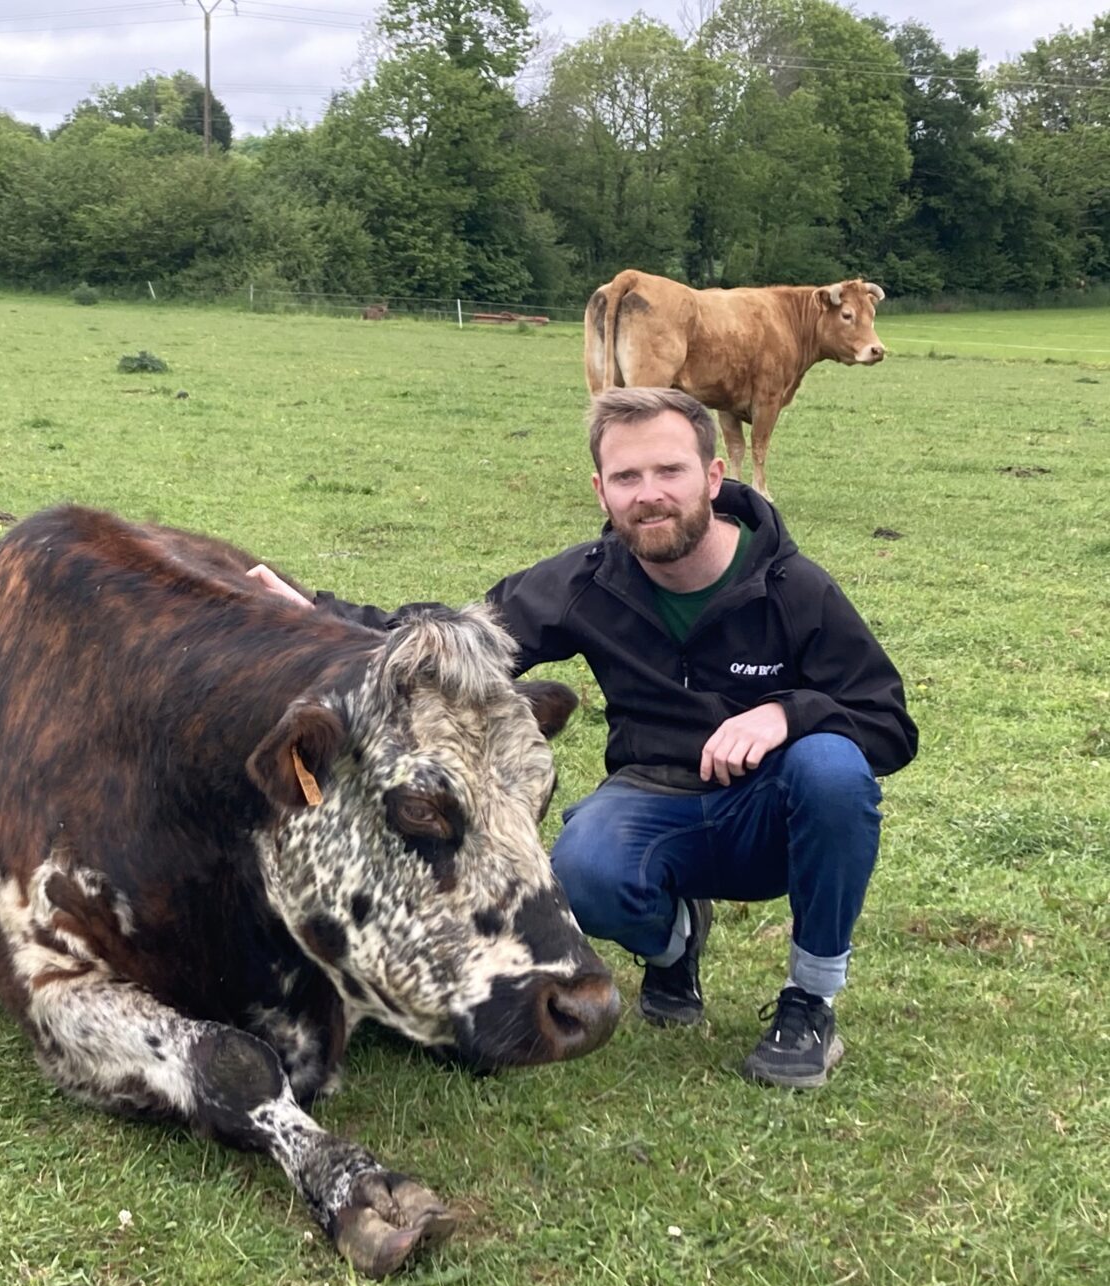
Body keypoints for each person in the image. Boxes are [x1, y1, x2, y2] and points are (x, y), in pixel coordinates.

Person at [248, 387, 917, 1088]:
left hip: (771, 816)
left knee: (833, 768)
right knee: (580, 871)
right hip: (654, 797)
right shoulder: (588, 580)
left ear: (714, 479)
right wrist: (315, 615)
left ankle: (810, 1001)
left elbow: (888, 720)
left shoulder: (794, 587)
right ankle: (675, 943)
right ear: (601, 490)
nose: (649, 495)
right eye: (627, 478)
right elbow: (456, 640)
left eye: (669, 472)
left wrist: (783, 713)